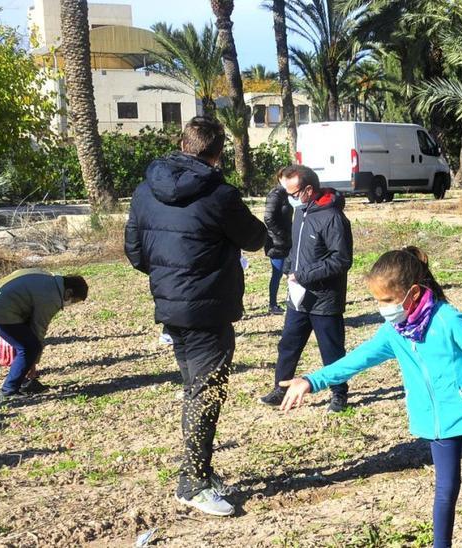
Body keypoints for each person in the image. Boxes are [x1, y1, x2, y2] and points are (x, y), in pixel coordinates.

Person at [279, 248, 462, 548]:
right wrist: (311, 380)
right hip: (437, 423)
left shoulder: (449, 319)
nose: (382, 308)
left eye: (386, 300)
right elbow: (356, 360)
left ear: (412, 293)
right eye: (377, 300)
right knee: (446, 488)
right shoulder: (394, 332)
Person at [124, 116, 267, 517]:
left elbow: (135, 253)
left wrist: (170, 278)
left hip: (170, 306)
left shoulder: (144, 190)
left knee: (195, 389)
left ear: (182, 143)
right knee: (206, 395)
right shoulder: (220, 194)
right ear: (218, 152)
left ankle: (199, 469)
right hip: (208, 307)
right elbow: (255, 239)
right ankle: (193, 483)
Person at [260, 165, 353, 411]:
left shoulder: (333, 218)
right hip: (299, 297)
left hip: (324, 298)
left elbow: (341, 260)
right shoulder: (300, 213)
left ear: (309, 190)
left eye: (292, 192)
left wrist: (304, 275)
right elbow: (295, 247)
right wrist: (289, 268)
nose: (289, 197)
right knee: (288, 344)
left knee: (331, 349)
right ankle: (280, 389)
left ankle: (339, 393)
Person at [0, 269, 88, 400]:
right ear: (69, 292)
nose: (69, 305)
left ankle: (25, 382)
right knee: (29, 347)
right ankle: (8, 391)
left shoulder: (46, 276)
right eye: (73, 301)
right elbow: (38, 330)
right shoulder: (51, 297)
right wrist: (33, 361)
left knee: (27, 341)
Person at [263, 176, 294, 315]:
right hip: (276, 242)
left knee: (290, 271)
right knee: (277, 273)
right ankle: (272, 304)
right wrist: (280, 234)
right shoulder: (275, 195)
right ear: (280, 178)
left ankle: (292, 299)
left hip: (287, 240)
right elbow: (268, 218)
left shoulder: (287, 194)